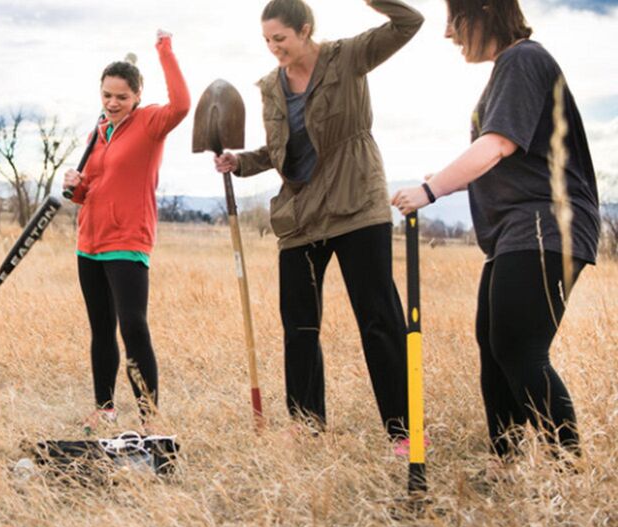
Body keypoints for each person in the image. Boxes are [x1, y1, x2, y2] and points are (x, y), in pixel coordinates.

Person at [391, 0, 599, 459]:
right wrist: (444, 177)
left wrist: (431, 188)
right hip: (517, 229)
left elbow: (497, 144)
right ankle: (505, 462)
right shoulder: (512, 66)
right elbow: (501, 154)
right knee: (495, 345)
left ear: (484, 11)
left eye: (454, 19)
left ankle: (568, 467)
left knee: (521, 349)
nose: (449, 33)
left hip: (546, 224)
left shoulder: (524, 59)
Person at [214, 0, 423, 447]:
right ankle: (307, 424)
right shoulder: (271, 86)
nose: (273, 48)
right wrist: (239, 161)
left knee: (379, 318)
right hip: (301, 215)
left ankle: (403, 430)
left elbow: (410, 23)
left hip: (356, 205)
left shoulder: (348, 56)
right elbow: (278, 151)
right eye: (267, 40)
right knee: (300, 324)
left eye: (280, 39)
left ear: (305, 30)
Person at [62, 30, 189, 434]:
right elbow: (90, 191)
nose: (113, 103)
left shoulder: (151, 122)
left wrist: (164, 50)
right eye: (107, 96)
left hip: (128, 241)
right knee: (101, 329)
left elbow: (183, 104)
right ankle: (105, 408)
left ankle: (149, 417)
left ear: (136, 95)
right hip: (90, 243)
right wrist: (75, 185)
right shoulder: (96, 134)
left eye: (121, 96)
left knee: (133, 326)